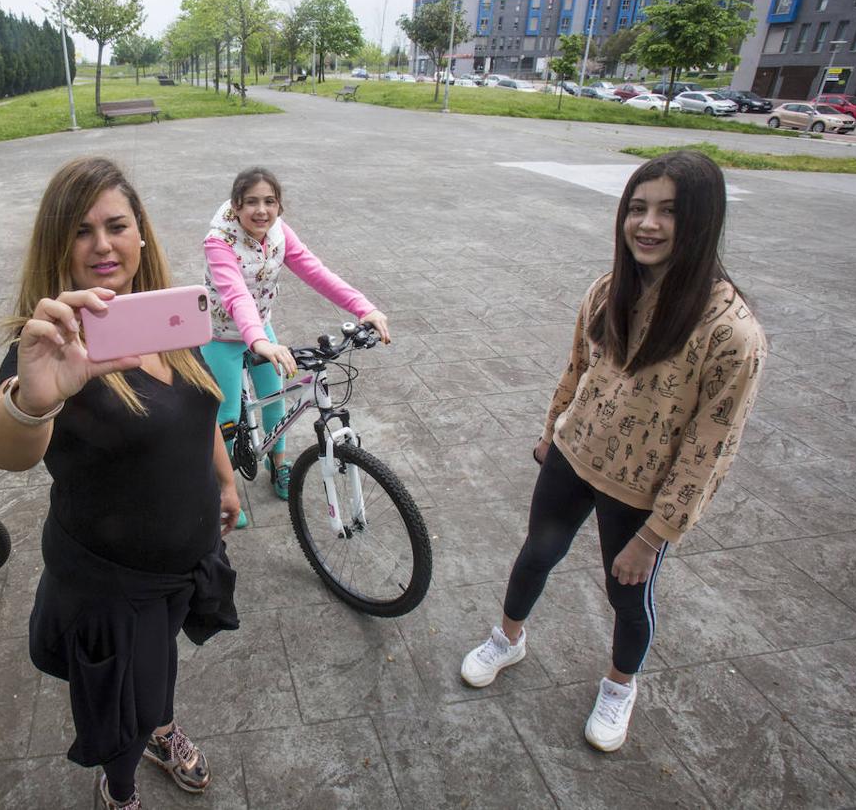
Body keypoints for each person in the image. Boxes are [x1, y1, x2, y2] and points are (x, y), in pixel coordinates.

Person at [460, 150, 767, 751]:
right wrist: (553, 430)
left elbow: (711, 448)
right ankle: (508, 638)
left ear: (702, 221)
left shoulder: (732, 333)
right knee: (535, 555)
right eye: (637, 208)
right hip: (573, 458)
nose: (646, 224)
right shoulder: (608, 291)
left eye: (668, 212)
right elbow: (578, 368)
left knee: (626, 594)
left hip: (641, 495)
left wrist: (654, 536)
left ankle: (620, 686)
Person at [0, 157, 241, 810]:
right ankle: (118, 789)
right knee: (120, 707)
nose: (101, 244)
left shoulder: (171, 322)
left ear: (141, 235)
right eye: (80, 230)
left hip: (183, 560)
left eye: (115, 225)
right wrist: (34, 403)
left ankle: (160, 729)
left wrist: (226, 484)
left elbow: (199, 410)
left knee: (154, 674)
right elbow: (5, 447)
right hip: (110, 582)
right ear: (56, 247)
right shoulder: (45, 352)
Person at [201, 167, 390, 522]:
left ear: (279, 205)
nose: (262, 211)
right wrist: (257, 341)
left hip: (261, 331)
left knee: (277, 397)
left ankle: (279, 464)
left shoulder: (278, 233)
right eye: (252, 202)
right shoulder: (219, 241)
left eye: (270, 202)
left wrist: (365, 308)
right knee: (225, 417)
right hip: (220, 334)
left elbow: (316, 271)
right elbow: (235, 294)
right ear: (236, 205)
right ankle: (222, 490)